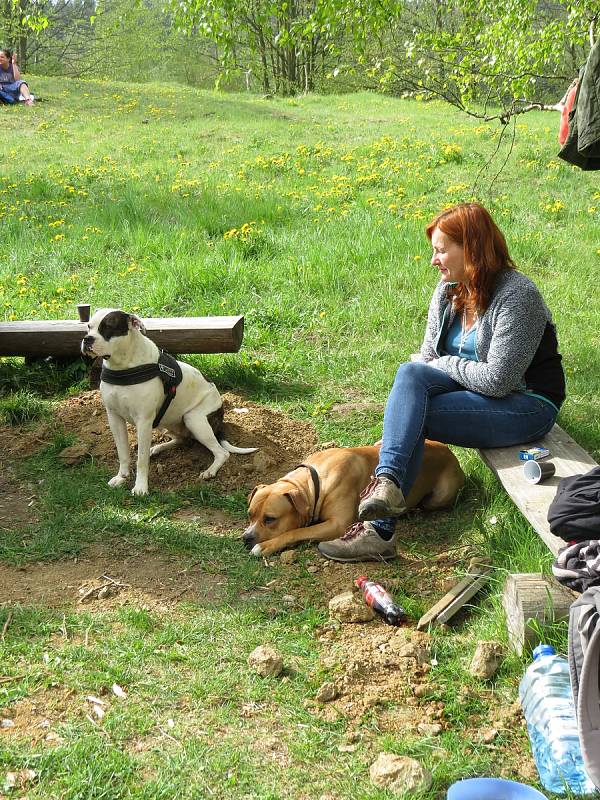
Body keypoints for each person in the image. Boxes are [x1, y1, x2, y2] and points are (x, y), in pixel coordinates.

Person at [318, 202, 566, 562]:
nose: (434, 260)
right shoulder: (448, 289)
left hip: (526, 404)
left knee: (412, 415)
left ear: (472, 248)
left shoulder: (518, 296)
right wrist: (437, 369)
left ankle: (379, 530)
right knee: (410, 375)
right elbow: (423, 361)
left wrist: (446, 364)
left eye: (440, 250)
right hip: (475, 394)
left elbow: (498, 380)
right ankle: (387, 485)